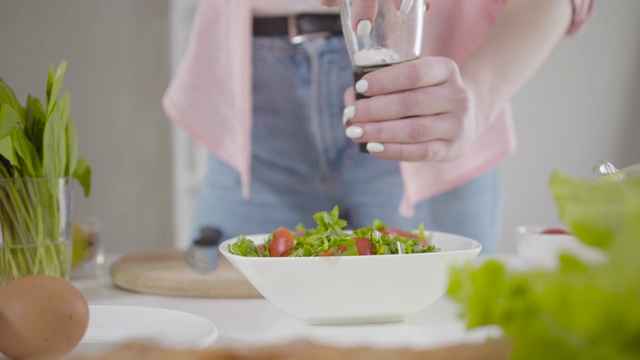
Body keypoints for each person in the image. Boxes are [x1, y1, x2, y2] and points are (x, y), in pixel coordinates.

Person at [163, 0, 594, 253]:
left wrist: (480, 94)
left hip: (428, 98)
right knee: (231, 335)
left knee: (444, 336)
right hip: (253, 103)